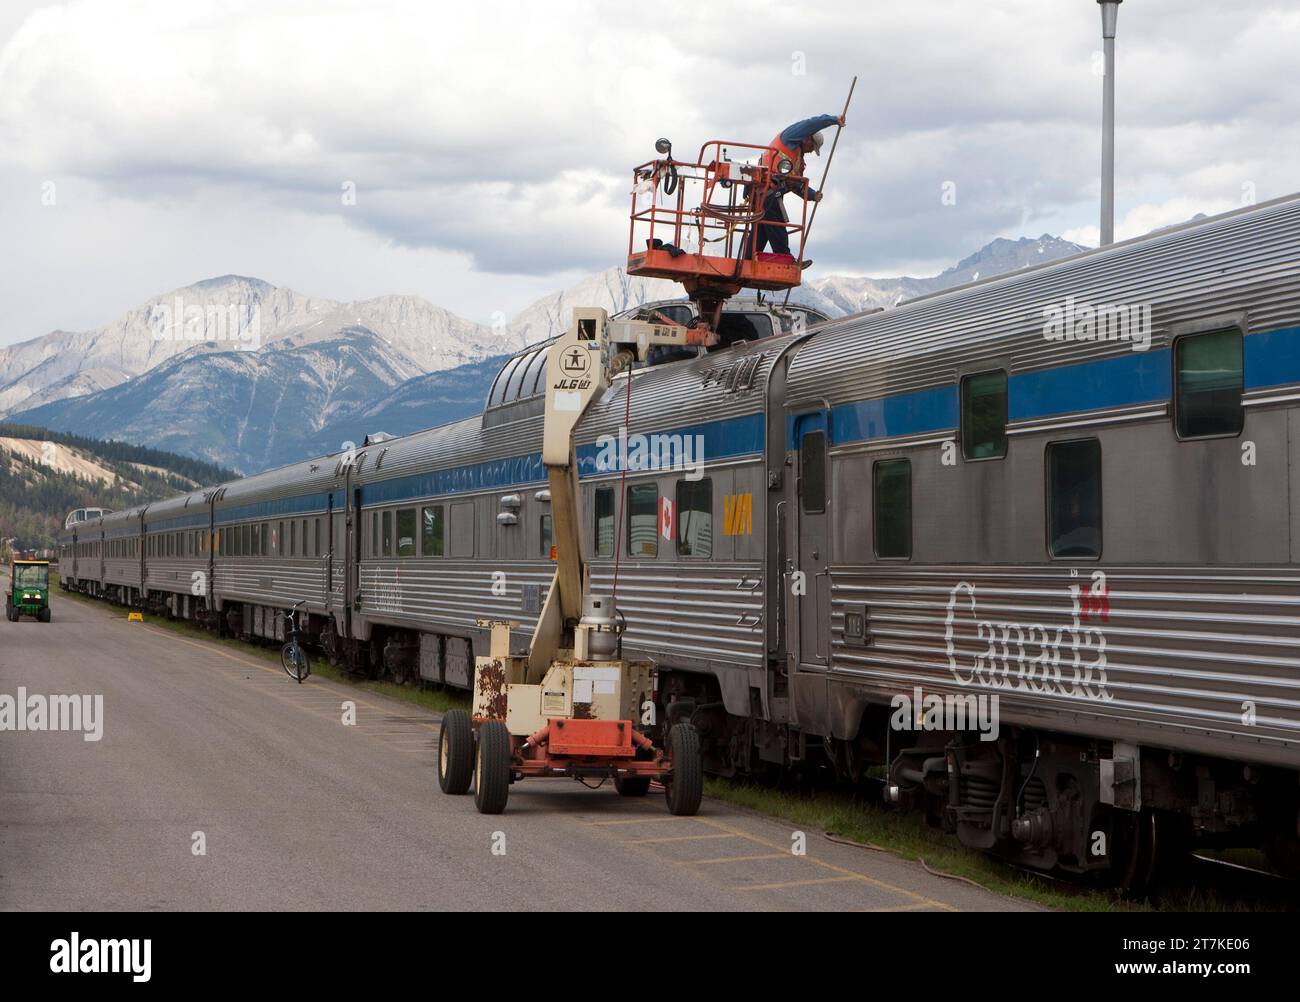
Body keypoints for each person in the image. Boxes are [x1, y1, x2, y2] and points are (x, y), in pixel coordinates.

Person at [746, 113, 844, 265]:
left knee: (764, 227)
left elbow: (796, 184)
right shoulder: (789, 138)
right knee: (776, 223)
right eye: (812, 146)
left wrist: (812, 195)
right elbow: (811, 123)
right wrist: (833, 120)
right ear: (807, 138)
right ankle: (787, 260)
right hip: (766, 190)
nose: (811, 151)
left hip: (767, 193)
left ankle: (746, 260)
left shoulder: (797, 160)